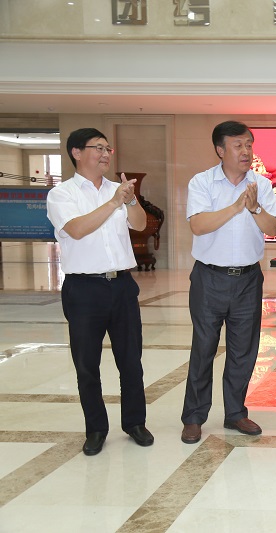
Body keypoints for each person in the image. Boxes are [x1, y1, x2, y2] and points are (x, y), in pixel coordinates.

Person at [46, 127, 153, 456]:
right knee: (87, 364)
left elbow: (140, 224)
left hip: (121, 285)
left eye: (108, 149)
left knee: (130, 361)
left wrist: (130, 199)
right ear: (77, 153)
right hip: (84, 289)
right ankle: (96, 428)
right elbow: (77, 229)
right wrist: (114, 202)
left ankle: (134, 422)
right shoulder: (62, 194)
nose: (106, 154)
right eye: (99, 148)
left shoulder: (117, 190)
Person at [181, 120, 276, 445]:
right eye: (238, 145)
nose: (246, 151)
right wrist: (237, 206)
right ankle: (194, 417)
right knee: (204, 348)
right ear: (220, 150)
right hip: (209, 278)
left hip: (248, 279)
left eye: (249, 145)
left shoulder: (261, 184)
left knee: (244, 351)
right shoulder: (202, 182)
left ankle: (236, 412)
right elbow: (198, 225)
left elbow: (272, 228)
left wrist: (253, 207)